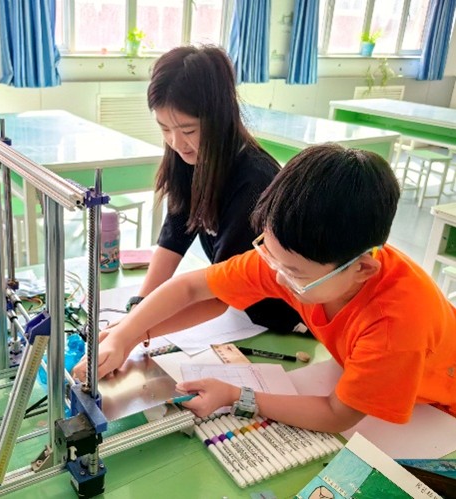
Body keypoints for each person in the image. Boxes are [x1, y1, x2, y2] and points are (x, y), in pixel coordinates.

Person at [74, 144, 456, 433]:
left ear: (361, 269)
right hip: (372, 377)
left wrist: (239, 397)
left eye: (293, 272)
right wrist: (125, 335)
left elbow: (336, 415)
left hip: (438, 415)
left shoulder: (396, 324)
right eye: (269, 254)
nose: (276, 275)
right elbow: (192, 288)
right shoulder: (294, 258)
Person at [125, 44, 305, 334]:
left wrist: (134, 332)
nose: (176, 143)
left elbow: (219, 294)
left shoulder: (253, 181)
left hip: (280, 318)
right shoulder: (191, 156)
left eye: (188, 130)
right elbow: (174, 237)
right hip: (240, 310)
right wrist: (139, 306)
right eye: (164, 129)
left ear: (219, 118)